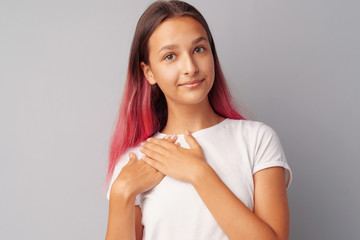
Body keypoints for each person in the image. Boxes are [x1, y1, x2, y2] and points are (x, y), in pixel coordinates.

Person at [105, 1, 292, 239]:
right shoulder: (137, 163)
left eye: (198, 49)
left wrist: (198, 173)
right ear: (149, 72)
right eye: (170, 56)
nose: (190, 67)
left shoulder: (257, 140)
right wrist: (122, 192)